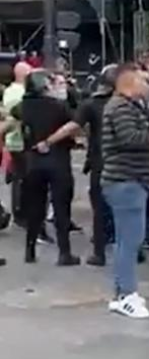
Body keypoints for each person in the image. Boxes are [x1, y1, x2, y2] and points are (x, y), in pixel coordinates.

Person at [101, 65, 149, 319]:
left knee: (126, 240)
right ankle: (127, 294)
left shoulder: (125, 106)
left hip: (128, 181)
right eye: (143, 79)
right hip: (127, 181)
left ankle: (122, 292)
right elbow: (129, 138)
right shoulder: (121, 108)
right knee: (130, 241)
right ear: (130, 81)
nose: (147, 84)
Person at [40, 65, 117, 266]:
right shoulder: (130, 103)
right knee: (126, 207)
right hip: (126, 160)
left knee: (100, 207)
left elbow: (73, 126)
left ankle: (99, 253)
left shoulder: (92, 104)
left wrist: (49, 140)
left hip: (101, 160)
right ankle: (134, 250)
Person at [10, 70, 79, 265]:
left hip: (33, 160)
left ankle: (30, 250)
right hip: (58, 159)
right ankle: (64, 252)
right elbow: (74, 124)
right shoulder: (59, 106)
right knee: (61, 206)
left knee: (35, 207)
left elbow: (14, 117)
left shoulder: (23, 106)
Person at [4, 61, 31, 229]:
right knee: (24, 179)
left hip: (12, 140)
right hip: (21, 140)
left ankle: (18, 211)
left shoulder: (8, 90)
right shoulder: (22, 93)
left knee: (17, 178)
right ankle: (21, 214)